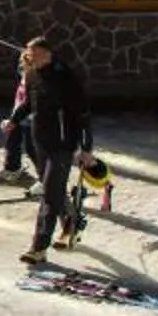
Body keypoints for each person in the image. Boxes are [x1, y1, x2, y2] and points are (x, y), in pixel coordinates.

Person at [17, 38, 91, 264]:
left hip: (62, 144)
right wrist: (13, 120)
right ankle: (71, 222)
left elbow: (83, 115)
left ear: (48, 54)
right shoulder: (31, 75)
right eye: (30, 55)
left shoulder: (65, 78)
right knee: (54, 189)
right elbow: (29, 104)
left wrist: (86, 149)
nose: (32, 59)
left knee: (49, 195)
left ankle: (38, 248)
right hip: (40, 142)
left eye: (36, 54)